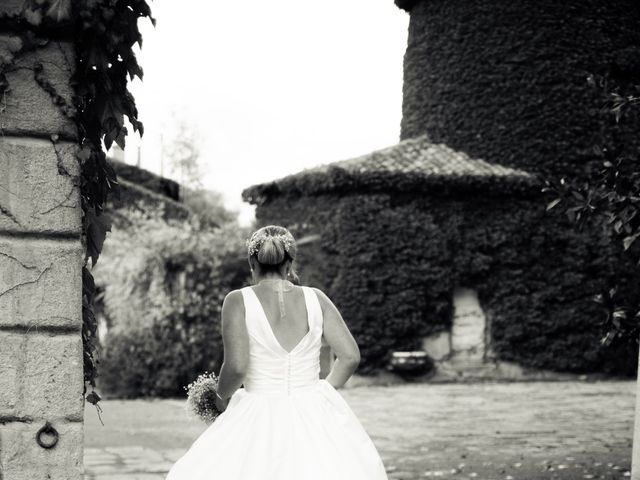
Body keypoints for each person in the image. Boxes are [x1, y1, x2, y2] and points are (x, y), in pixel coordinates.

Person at [166, 225, 388, 479]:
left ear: (252, 261)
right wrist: (323, 391)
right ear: (289, 264)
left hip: (258, 410)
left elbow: (237, 367)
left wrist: (220, 398)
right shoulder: (317, 298)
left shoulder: (237, 300)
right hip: (313, 406)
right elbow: (350, 357)